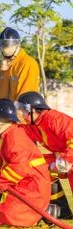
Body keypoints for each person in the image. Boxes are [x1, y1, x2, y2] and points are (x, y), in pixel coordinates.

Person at [0, 99, 50, 227]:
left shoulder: (13, 137)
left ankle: (39, 213)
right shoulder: (5, 135)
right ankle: (40, 213)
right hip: (25, 185)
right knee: (3, 216)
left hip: (32, 187)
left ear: (2, 120)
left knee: (8, 218)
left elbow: (19, 167)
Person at [15, 91, 73, 219]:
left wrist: (63, 162)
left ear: (33, 110)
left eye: (23, 110)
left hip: (69, 156)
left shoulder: (54, 119)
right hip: (64, 157)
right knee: (39, 167)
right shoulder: (35, 124)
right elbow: (17, 133)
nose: (22, 114)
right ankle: (62, 210)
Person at [0, 27, 40, 101]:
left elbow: (25, 99)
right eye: (2, 45)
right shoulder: (5, 65)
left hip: (22, 111)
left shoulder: (27, 63)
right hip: (6, 110)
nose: (4, 48)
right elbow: (2, 95)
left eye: (8, 45)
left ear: (18, 45)